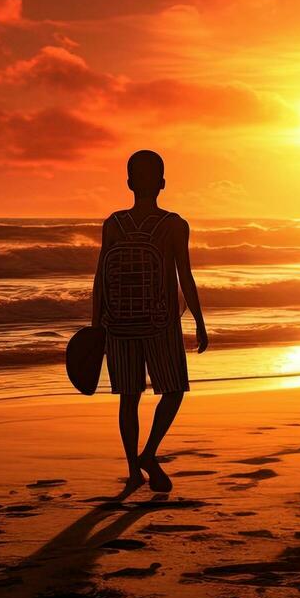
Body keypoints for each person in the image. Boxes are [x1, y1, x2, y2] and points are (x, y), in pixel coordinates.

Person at [91, 149, 207, 493]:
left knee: (129, 397)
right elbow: (184, 275)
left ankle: (132, 471)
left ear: (128, 183)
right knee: (172, 391)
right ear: (162, 184)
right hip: (161, 324)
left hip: (118, 325)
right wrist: (199, 321)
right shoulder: (173, 225)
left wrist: (97, 326)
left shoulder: (113, 224)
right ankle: (149, 453)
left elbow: (99, 279)